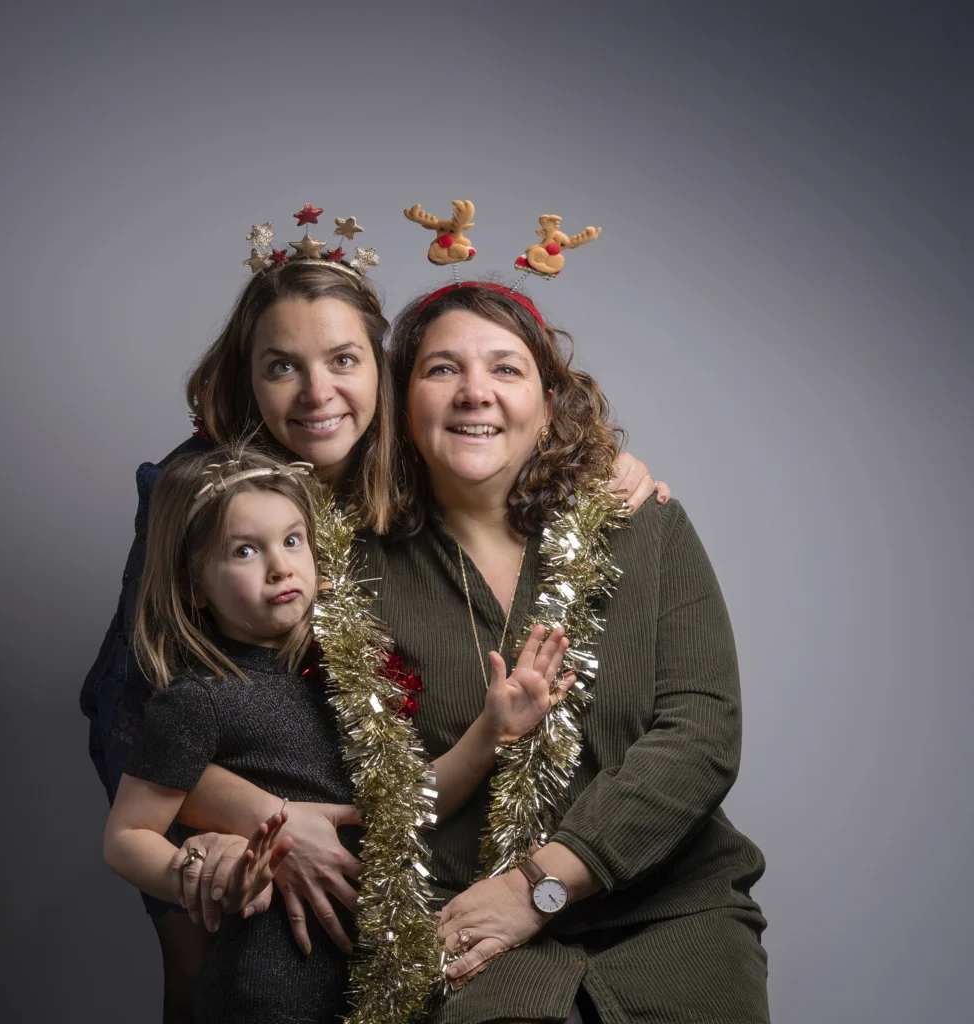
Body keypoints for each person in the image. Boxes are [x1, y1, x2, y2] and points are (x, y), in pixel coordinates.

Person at [79, 239, 671, 1019]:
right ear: (247, 379)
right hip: (203, 801)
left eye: (343, 361)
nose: (316, 392)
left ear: (382, 373)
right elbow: (135, 713)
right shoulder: (206, 494)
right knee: (212, 984)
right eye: (281, 366)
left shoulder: (396, 468)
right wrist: (266, 822)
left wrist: (609, 465)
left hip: (351, 793)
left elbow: (506, 442)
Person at [358, 282, 769, 1024]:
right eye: (442, 369)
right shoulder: (351, 568)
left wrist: (538, 886)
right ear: (399, 401)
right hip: (470, 925)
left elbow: (703, 734)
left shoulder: (642, 526)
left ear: (549, 404)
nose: (475, 393)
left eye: (506, 370)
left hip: (671, 911)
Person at [104, 444, 579, 1023]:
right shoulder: (197, 700)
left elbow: (403, 805)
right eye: (245, 551)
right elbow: (126, 835)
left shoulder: (344, 673)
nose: (279, 566)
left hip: (365, 980)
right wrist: (202, 875)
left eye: (292, 540)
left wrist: (491, 730)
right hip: (269, 985)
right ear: (196, 584)